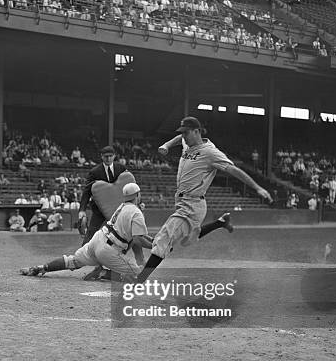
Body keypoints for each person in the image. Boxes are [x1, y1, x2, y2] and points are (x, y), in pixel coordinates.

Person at [136, 116, 272, 282]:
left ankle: (139, 280)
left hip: (192, 205)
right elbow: (179, 139)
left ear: (197, 131)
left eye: (187, 133)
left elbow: (233, 170)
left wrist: (257, 187)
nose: (184, 136)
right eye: (183, 133)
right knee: (188, 240)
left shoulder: (210, 152)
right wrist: (167, 145)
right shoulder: (188, 142)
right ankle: (220, 222)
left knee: (164, 238)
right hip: (183, 203)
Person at [20, 183, 153, 279]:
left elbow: (139, 237)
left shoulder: (122, 206)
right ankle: (103, 273)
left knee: (73, 261)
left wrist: (152, 241)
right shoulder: (136, 212)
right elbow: (138, 239)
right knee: (139, 276)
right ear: (137, 195)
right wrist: (155, 246)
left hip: (98, 239)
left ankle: (42, 267)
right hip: (109, 250)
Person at [78, 145, 129, 280]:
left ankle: (108, 265)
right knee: (91, 233)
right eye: (105, 156)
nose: (108, 158)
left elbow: (130, 186)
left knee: (118, 238)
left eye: (110, 156)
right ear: (101, 157)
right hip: (99, 210)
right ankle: (80, 257)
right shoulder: (95, 172)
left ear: (114, 156)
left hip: (117, 211)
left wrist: (138, 201)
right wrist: (82, 210)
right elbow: (86, 191)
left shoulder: (121, 168)